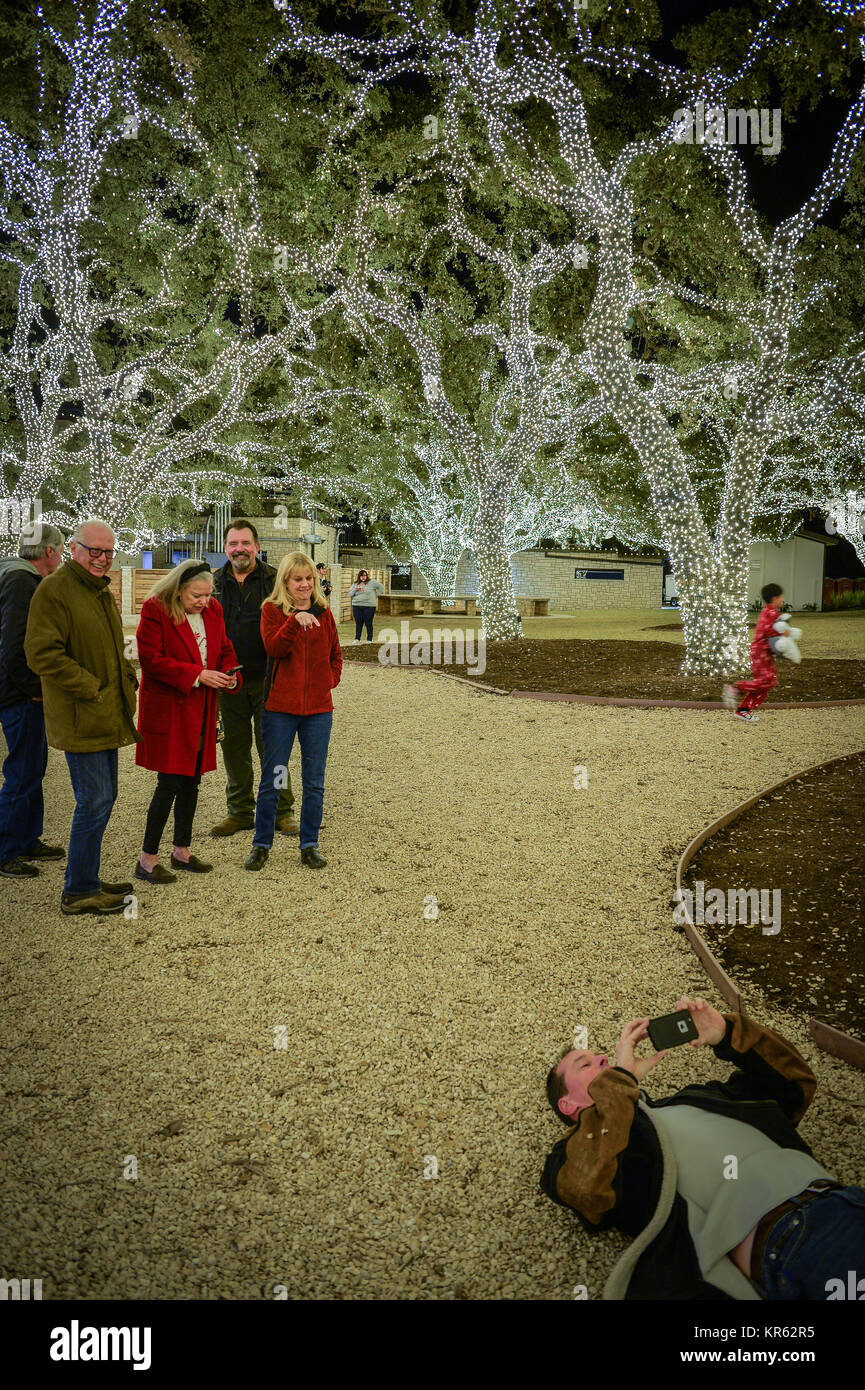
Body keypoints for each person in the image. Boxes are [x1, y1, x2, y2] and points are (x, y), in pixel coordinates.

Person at [542, 996, 865, 1300]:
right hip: (791, 1234)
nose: (602, 1056)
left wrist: (726, 1034)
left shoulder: (695, 1099)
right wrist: (622, 1080)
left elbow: (794, 1085)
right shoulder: (574, 1155)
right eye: (585, 1065)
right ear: (567, 1104)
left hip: (844, 1197)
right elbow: (587, 1190)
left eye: (598, 1055)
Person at [24, 519, 139, 915]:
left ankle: (85, 876)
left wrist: (127, 679)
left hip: (105, 713)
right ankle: (78, 890)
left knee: (104, 798)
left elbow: (113, 646)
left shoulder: (99, 592)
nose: (103, 559)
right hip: (81, 714)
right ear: (73, 549)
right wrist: (91, 687)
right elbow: (41, 654)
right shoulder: (55, 590)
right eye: (95, 551)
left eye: (109, 552)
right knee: (94, 801)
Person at [134, 561, 241, 883]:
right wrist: (197, 675)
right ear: (179, 589)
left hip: (202, 708)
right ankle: (147, 859)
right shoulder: (156, 609)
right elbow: (151, 659)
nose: (204, 601)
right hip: (171, 709)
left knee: (192, 781)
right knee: (168, 784)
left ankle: (181, 849)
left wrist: (230, 672)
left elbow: (223, 647)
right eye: (197, 595)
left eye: (208, 595)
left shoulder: (213, 609)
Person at [244, 551, 342, 872]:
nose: (304, 584)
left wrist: (327, 681)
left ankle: (309, 844)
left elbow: (335, 655)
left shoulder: (324, 613)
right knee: (274, 777)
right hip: (279, 709)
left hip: (317, 711)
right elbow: (273, 648)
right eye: (298, 578)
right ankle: (261, 844)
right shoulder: (271, 612)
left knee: (314, 781)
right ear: (285, 580)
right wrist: (292, 621)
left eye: (309, 578)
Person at [210, 520, 297, 837]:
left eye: (245, 543)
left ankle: (281, 811)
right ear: (226, 548)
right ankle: (240, 811)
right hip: (227, 681)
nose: (239, 549)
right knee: (233, 750)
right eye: (233, 544)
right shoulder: (214, 582)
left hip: (268, 681)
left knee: (273, 751)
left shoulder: (276, 581)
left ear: (257, 547)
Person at [0, 521, 66, 878]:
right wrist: (35, 690)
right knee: (22, 772)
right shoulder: (23, 581)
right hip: (19, 695)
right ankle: (7, 848)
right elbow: (15, 647)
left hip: (18, 692)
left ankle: (28, 839)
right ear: (50, 552)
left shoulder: (10, 570)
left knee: (32, 769)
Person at [722, 583, 786, 722]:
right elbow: (771, 632)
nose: (783, 600)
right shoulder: (773, 613)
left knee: (766, 684)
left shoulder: (766, 611)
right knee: (767, 681)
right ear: (775, 598)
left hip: (761, 652)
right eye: (781, 597)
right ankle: (736, 688)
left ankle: (743, 710)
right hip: (762, 652)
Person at [348, 568, 384, 645]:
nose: (363, 577)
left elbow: (381, 587)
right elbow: (350, 594)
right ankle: (357, 638)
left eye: (364, 575)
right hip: (357, 606)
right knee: (358, 623)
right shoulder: (355, 584)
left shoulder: (372, 582)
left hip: (369, 606)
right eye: (361, 576)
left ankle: (369, 639)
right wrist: (355, 589)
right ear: (359, 577)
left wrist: (376, 595)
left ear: (367, 576)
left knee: (368, 622)